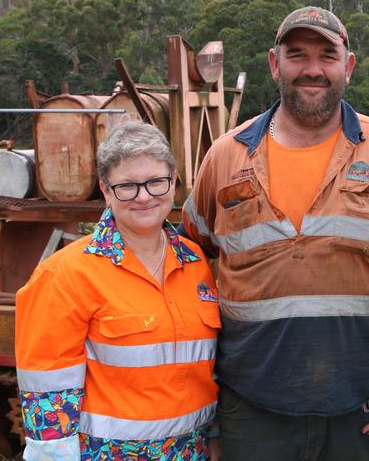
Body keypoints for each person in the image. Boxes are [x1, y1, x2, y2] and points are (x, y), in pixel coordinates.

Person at [182, 6, 369, 460]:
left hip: (357, 403)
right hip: (249, 406)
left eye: (327, 56)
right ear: (275, 64)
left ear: (348, 67)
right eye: (297, 55)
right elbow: (194, 266)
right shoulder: (224, 157)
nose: (312, 69)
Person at [15, 122, 220, 460]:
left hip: (192, 452)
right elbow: (47, 400)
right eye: (127, 186)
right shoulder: (66, 274)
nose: (143, 196)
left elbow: (206, 371)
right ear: (106, 191)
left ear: (173, 181)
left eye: (155, 182)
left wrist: (214, 440)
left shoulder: (194, 261)